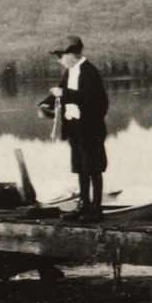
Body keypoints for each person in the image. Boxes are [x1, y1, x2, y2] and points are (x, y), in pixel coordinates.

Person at [38, 35, 108, 222]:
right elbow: (60, 92)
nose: (58, 60)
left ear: (72, 54)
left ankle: (96, 209)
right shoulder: (70, 72)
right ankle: (83, 205)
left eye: (60, 56)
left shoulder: (89, 72)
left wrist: (65, 93)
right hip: (74, 127)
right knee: (80, 167)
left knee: (93, 168)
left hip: (90, 129)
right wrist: (45, 104)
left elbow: (97, 100)